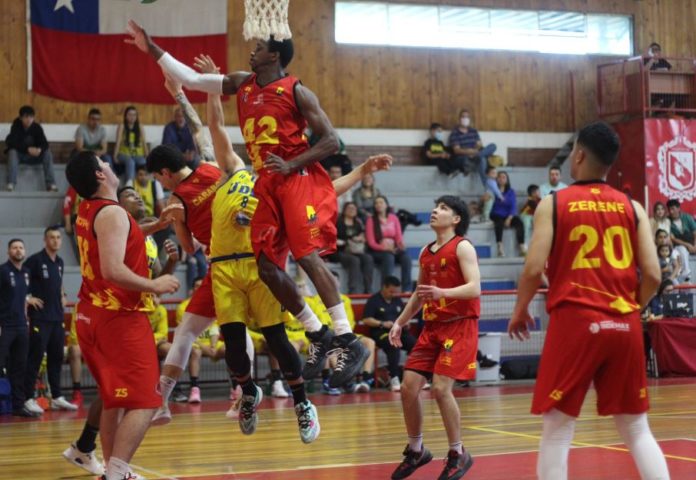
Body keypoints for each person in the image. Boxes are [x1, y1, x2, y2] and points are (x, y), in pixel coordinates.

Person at [127, 25, 371, 389]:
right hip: (266, 184)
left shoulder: (297, 90)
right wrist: (152, 49)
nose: (251, 52)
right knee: (267, 268)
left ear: (274, 55)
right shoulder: (242, 82)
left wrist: (291, 163)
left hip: (296, 178)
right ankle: (317, 333)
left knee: (306, 256)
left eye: (258, 47)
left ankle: (346, 338)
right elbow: (192, 78)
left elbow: (331, 140)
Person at [508, 121, 669, 480]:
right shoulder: (633, 207)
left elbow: (534, 269)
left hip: (576, 322)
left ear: (578, 154)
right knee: (636, 428)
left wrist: (520, 310)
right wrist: (630, 309)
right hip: (624, 323)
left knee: (558, 427)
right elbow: (654, 275)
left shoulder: (553, 204)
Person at [65, 151, 179, 480]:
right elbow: (113, 269)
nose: (109, 166)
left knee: (114, 399)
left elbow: (118, 237)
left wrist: (154, 226)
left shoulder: (87, 209)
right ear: (100, 176)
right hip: (119, 319)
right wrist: (154, 284)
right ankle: (116, 472)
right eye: (104, 164)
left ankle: (115, 471)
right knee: (146, 402)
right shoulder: (112, 214)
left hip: (91, 313)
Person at [389, 195, 480, 480]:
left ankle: (457, 452)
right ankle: (417, 450)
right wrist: (400, 322)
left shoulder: (462, 246)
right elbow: (419, 293)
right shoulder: (425, 252)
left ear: (455, 219)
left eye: (443, 208)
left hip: (459, 325)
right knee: (408, 387)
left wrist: (444, 293)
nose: (434, 211)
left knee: (441, 389)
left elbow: (475, 287)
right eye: (435, 206)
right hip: (431, 328)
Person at [23, 227, 77, 414]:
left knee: (56, 358)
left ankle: (57, 397)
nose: (55, 241)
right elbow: (21, 278)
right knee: (35, 357)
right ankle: (28, 397)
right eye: (51, 238)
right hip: (40, 318)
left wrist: (63, 294)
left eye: (58, 237)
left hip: (57, 317)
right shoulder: (35, 260)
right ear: (45, 240)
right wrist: (27, 298)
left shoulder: (60, 262)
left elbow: (58, 282)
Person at [0, 239, 41, 417]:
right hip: (5, 325)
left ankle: (18, 405)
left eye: (21, 247)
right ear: (8, 251)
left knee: (19, 366)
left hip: (21, 326)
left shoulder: (26, 272)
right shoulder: (2, 271)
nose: (18, 250)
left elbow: (22, 295)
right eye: (14, 248)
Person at [362, 276, 416, 392]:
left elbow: (404, 316)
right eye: (391, 291)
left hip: (398, 331)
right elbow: (366, 319)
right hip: (381, 332)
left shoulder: (397, 300)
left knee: (415, 344)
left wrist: (406, 323)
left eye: (396, 292)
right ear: (384, 287)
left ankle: (414, 378)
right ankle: (394, 378)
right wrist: (382, 323)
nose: (393, 294)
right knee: (393, 344)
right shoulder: (374, 300)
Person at [5, 105, 57, 192]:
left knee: (47, 153)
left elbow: (45, 144)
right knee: (12, 152)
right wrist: (27, 149)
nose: (29, 120)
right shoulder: (16, 126)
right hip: (21, 156)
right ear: (21, 118)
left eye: (31, 117)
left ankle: (51, 184)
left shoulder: (37, 127)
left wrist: (39, 149)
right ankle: (11, 183)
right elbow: (11, 142)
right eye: (26, 117)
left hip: (35, 156)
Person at [366, 195, 412, 290]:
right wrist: (385, 248)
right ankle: (386, 288)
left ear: (386, 205)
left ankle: (407, 289)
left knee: (406, 258)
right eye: (376, 203)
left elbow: (398, 237)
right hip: (377, 251)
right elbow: (371, 242)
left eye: (381, 202)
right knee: (388, 257)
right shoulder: (371, 220)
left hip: (393, 249)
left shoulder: (393, 218)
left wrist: (400, 245)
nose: (378, 205)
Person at [335, 201, 374, 294]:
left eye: (354, 208)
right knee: (354, 261)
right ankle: (353, 290)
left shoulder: (358, 222)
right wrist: (341, 241)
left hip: (355, 250)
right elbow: (330, 238)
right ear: (344, 210)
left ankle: (368, 289)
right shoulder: (338, 222)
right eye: (349, 208)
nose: (352, 210)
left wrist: (361, 238)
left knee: (368, 258)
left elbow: (363, 236)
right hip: (340, 250)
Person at [447, 109, 496, 178]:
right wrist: (469, 152)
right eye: (463, 117)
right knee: (482, 159)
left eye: (467, 117)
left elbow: (479, 144)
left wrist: (476, 150)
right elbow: (456, 150)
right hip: (464, 157)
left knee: (493, 146)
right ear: (459, 119)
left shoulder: (473, 131)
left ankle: (475, 158)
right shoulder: (455, 133)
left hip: (475, 154)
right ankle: (487, 186)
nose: (465, 119)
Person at [490, 171, 526, 257]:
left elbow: (513, 206)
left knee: (519, 222)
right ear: (497, 179)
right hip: (496, 214)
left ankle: (522, 246)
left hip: (508, 214)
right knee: (498, 223)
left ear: (507, 179)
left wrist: (509, 218)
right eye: (500, 177)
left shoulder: (511, 191)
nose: (501, 179)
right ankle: (500, 247)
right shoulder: (493, 190)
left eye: (504, 177)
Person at [114, 105, 148, 185]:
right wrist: (115, 156)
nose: (132, 117)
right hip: (123, 154)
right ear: (125, 116)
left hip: (137, 155)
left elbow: (144, 142)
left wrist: (147, 154)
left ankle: (144, 185)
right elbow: (118, 142)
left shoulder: (140, 126)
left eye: (134, 115)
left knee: (143, 161)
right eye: (130, 114)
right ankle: (130, 184)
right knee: (130, 162)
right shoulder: (122, 126)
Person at [667, 199, 695, 283]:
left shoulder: (687, 217)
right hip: (679, 246)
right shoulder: (668, 221)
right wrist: (688, 245)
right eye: (669, 210)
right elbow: (673, 238)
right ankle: (686, 276)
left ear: (678, 208)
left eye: (673, 209)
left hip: (692, 243)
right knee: (682, 250)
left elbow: (695, 232)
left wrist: (694, 245)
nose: (671, 212)